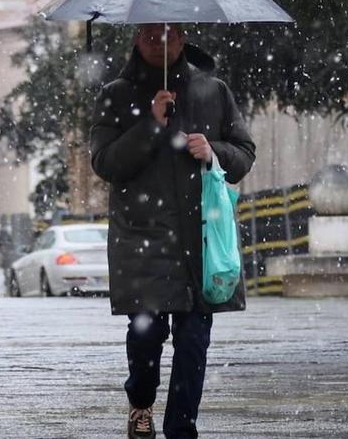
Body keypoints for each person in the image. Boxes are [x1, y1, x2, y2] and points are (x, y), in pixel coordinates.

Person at [89, 24, 256, 439]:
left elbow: (244, 154)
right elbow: (105, 163)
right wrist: (149, 124)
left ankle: (182, 427)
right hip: (141, 235)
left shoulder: (212, 91)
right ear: (135, 40)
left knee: (194, 337)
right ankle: (141, 402)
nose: (159, 43)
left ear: (183, 39)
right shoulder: (115, 95)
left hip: (199, 235)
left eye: (169, 35)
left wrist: (213, 149)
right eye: (150, 35)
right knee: (146, 333)